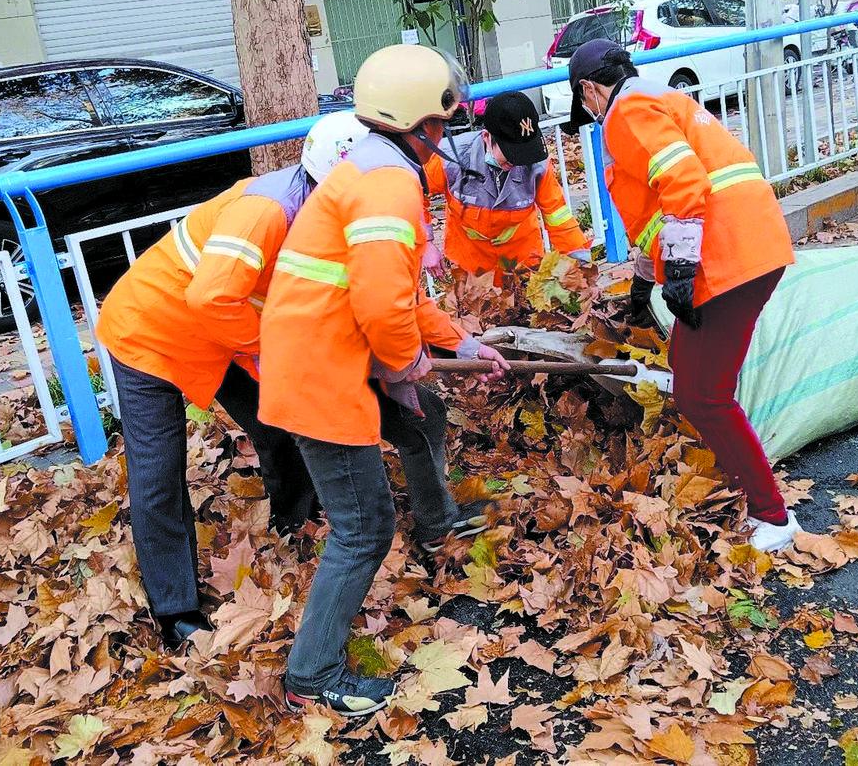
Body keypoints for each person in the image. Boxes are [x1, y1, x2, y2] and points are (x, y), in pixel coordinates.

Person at [257, 44, 511, 717]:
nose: (449, 131)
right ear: (425, 121)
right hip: (323, 374)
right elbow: (379, 307)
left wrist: (462, 341)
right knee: (364, 526)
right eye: (446, 116)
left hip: (328, 359)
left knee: (421, 415)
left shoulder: (372, 167)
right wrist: (407, 360)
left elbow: (397, 290)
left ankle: (439, 522)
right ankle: (312, 674)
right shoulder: (389, 182)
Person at [96, 112, 370, 649]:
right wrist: (269, 350)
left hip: (225, 335)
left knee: (279, 419)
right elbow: (210, 297)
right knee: (158, 472)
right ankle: (175, 610)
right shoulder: (266, 211)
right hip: (150, 332)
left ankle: (295, 518)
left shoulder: (330, 213)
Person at [563, 39, 804, 552]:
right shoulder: (660, 100)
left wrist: (680, 268)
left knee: (702, 393)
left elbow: (685, 183)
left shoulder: (624, 111)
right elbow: (659, 206)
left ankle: (772, 516)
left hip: (726, 259)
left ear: (589, 90)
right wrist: (646, 279)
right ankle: (747, 489)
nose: (589, 115)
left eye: (584, 106)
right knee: (689, 372)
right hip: (747, 248)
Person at [422, 91, 592, 280]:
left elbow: (557, 215)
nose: (518, 162)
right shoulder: (450, 158)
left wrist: (581, 262)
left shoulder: (537, 164)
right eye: (511, 154)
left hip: (524, 268)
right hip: (470, 273)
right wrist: (426, 242)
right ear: (487, 137)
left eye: (523, 152)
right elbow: (415, 193)